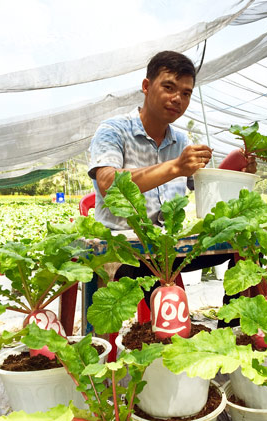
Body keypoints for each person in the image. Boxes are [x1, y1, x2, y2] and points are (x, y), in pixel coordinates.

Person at [87, 50, 250, 318]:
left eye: (186, 93)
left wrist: (237, 167)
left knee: (240, 243)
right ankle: (150, 338)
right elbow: (107, 183)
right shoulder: (113, 129)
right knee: (145, 296)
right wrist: (174, 167)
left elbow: (204, 188)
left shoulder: (181, 141)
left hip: (169, 246)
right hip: (125, 247)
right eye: (169, 87)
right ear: (146, 86)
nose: (178, 98)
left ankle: (231, 324)